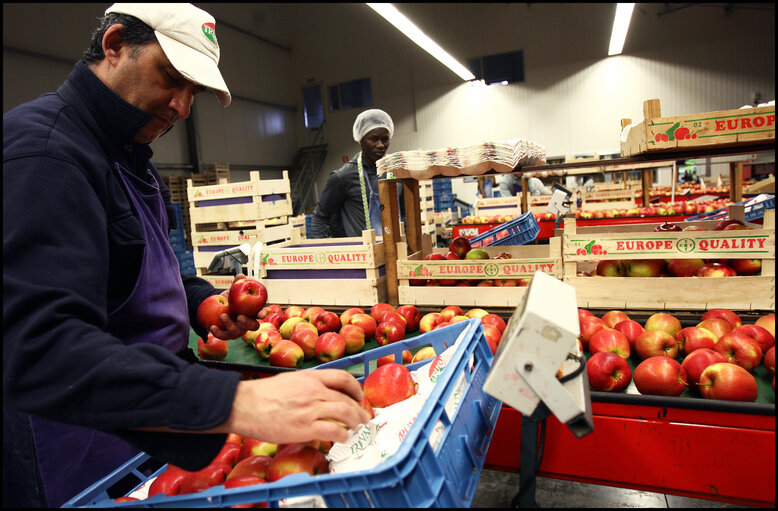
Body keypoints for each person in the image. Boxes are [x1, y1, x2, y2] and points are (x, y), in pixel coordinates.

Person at [3, 4, 370, 507]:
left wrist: (202, 303)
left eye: (193, 90)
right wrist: (237, 400)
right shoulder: (46, 154)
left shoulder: (131, 157)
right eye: (171, 78)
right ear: (114, 46)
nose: (181, 106)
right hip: (73, 441)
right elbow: (40, 347)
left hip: (147, 425)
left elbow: (149, 265)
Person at [308, 109, 393, 238]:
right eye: (374, 139)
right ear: (361, 140)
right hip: (360, 253)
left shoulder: (394, 173)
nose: (380, 145)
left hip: (393, 251)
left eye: (385, 139)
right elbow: (321, 218)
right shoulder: (343, 177)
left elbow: (403, 213)